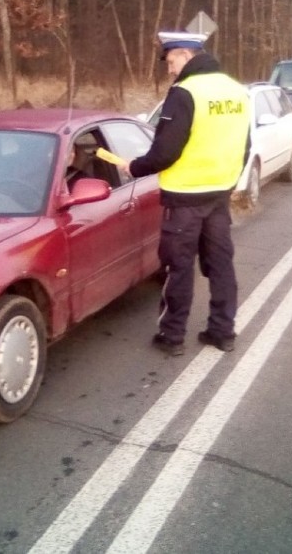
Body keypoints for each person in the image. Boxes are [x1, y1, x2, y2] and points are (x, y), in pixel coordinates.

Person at [123, 31, 251, 356]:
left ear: (184, 55)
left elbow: (165, 151)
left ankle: (171, 336)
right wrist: (230, 182)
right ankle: (223, 332)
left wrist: (133, 168)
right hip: (220, 195)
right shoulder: (237, 91)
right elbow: (245, 145)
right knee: (221, 264)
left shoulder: (184, 92)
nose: (168, 69)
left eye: (169, 61)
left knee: (178, 268)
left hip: (184, 199)